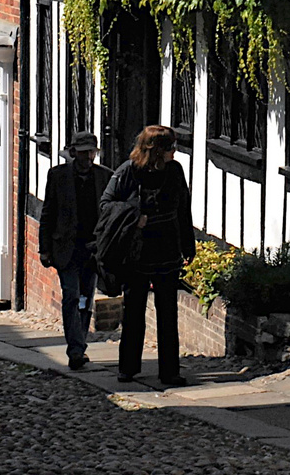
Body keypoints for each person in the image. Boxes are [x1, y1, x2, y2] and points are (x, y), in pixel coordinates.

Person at [102, 125, 195, 387]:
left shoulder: (175, 172)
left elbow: (183, 209)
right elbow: (107, 204)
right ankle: (127, 368)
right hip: (138, 251)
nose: (174, 153)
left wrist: (188, 247)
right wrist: (134, 218)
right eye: (170, 148)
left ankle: (170, 372)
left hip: (167, 250)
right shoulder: (128, 172)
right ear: (155, 150)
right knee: (134, 312)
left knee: (168, 314)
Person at [39, 131, 110, 370]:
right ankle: (75, 349)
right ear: (73, 153)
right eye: (83, 152)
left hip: (92, 250)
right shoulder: (58, 176)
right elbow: (48, 212)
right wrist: (44, 249)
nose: (87, 157)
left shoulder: (104, 177)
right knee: (71, 295)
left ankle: (79, 344)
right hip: (66, 248)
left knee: (85, 299)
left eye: (91, 152)